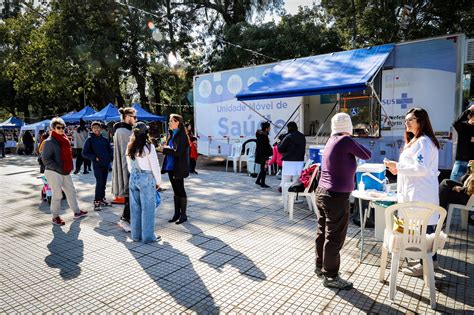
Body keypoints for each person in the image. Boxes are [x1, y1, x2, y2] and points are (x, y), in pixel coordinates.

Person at [315, 112, 371, 290]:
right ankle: (331, 276)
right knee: (335, 237)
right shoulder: (345, 141)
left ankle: (320, 267)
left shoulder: (331, 140)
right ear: (348, 127)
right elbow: (367, 154)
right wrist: (351, 137)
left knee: (323, 233)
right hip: (336, 196)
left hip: (323, 193)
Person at [384, 107, 441, 277]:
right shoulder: (417, 140)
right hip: (417, 192)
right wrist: (398, 169)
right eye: (406, 119)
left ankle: (426, 265)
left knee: (425, 228)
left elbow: (421, 168)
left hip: (420, 194)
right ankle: (430, 261)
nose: (406, 123)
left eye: (410, 120)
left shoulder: (423, 141)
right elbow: (413, 167)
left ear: (420, 121)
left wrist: (398, 167)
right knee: (423, 228)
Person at [41, 117, 88, 226]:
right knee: (57, 195)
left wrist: (66, 168)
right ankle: (55, 217)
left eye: (63, 127)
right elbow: (45, 159)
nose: (61, 129)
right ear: (53, 129)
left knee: (71, 191)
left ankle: (77, 212)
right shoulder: (49, 141)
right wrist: (58, 168)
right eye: (58, 127)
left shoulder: (64, 139)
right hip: (53, 171)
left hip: (65, 170)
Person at [126, 122, 162, 243]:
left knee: (135, 208)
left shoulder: (130, 146)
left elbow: (129, 167)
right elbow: (155, 166)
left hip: (133, 177)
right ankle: (148, 237)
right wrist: (158, 181)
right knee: (148, 208)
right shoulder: (148, 147)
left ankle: (135, 236)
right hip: (146, 178)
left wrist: (134, 174)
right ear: (145, 133)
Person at [161, 114, 190, 224]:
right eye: (169, 121)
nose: (169, 123)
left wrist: (164, 149)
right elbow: (171, 149)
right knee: (175, 190)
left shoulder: (182, 136)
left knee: (180, 189)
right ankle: (176, 214)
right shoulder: (171, 134)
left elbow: (178, 152)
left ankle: (183, 215)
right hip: (170, 167)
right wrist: (166, 148)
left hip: (179, 168)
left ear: (177, 122)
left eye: (171, 121)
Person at [112, 107, 137, 232]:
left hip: (127, 165)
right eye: (134, 117)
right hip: (127, 166)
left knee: (130, 195)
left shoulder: (123, 130)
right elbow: (127, 152)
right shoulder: (123, 131)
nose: (135, 120)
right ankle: (124, 219)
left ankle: (126, 219)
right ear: (127, 117)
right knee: (129, 194)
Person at [82, 121, 114, 211]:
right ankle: (96, 201)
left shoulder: (104, 139)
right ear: (92, 129)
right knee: (99, 182)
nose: (96, 129)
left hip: (106, 164)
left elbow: (110, 150)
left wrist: (110, 158)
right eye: (94, 127)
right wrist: (94, 157)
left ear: (101, 128)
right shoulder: (89, 140)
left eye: (98, 127)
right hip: (97, 165)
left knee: (103, 183)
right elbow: (84, 153)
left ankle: (102, 199)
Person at [439, 160, 474, 224]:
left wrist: (462, 189)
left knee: (445, 188)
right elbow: (462, 181)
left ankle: (440, 216)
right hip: (466, 195)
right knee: (445, 185)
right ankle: (441, 216)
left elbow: (471, 190)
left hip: (469, 199)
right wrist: (469, 170)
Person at [278, 121, 306, 192]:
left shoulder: (288, 136)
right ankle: (294, 197)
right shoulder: (302, 136)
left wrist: (279, 143)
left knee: (285, 180)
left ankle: (285, 197)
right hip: (299, 161)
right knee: (296, 181)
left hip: (288, 162)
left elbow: (280, 149)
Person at [450, 104, 474, 182]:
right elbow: (456, 123)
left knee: (470, 189)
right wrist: (469, 110)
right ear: (469, 116)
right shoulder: (463, 126)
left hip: (472, 163)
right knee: (453, 184)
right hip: (461, 161)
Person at [255, 121, 273, 188]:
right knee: (264, 169)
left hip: (261, 155)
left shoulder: (261, 135)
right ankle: (262, 183)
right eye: (269, 128)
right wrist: (270, 151)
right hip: (264, 155)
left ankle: (258, 181)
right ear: (266, 129)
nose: (270, 129)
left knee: (263, 168)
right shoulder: (264, 136)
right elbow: (265, 147)